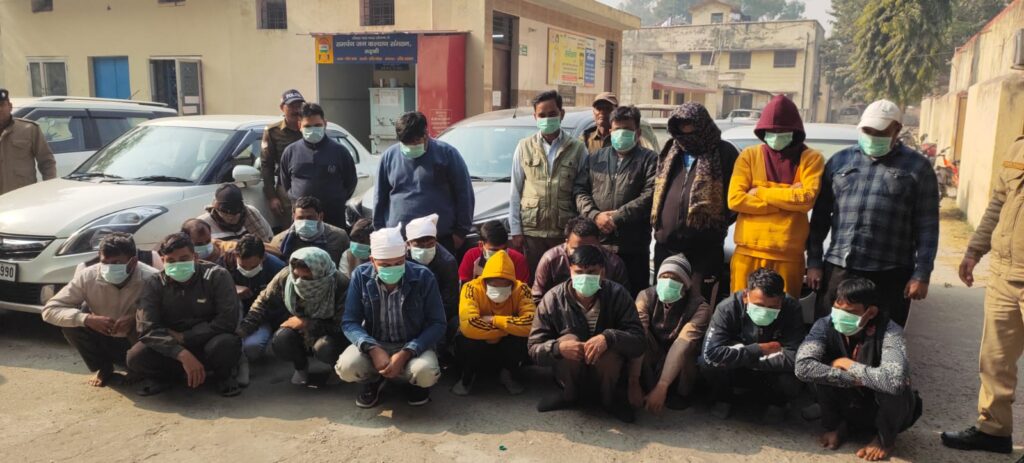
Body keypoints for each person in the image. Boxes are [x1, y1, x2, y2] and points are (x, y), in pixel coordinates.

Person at [807, 100, 939, 327]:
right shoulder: (840, 161)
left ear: (897, 130)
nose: (872, 137)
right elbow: (820, 218)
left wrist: (922, 274)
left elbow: (927, 226)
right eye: (868, 131)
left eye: (880, 133)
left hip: (890, 272)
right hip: (840, 266)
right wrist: (814, 262)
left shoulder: (918, 167)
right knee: (829, 330)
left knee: (884, 336)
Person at [940, 136, 1024, 454]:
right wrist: (974, 250)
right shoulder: (1018, 146)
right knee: (994, 360)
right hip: (1004, 273)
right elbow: (998, 203)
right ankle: (993, 430)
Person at [796, 278, 922, 462]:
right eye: (837, 309)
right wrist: (848, 378)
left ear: (871, 312)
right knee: (821, 369)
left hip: (878, 403)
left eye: (850, 312)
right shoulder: (824, 325)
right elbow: (802, 366)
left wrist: (849, 365)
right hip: (846, 397)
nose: (841, 316)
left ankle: (884, 439)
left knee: (899, 385)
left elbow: (894, 382)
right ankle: (836, 426)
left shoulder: (890, 332)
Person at [528, 245, 645, 423]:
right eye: (579, 272)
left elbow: (639, 341)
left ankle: (609, 400)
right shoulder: (552, 298)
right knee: (568, 339)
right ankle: (569, 395)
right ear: (570, 271)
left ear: (602, 272)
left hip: (607, 372)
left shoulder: (618, 295)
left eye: (591, 272)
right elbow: (533, 347)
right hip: (570, 370)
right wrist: (557, 348)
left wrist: (609, 337)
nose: (585, 277)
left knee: (609, 350)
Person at [335, 224, 446, 408]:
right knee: (347, 367)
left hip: (412, 343)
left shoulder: (423, 276)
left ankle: (414, 384)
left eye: (398, 263)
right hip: (375, 341)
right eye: (385, 265)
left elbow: (438, 323)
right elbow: (349, 321)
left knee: (424, 372)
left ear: (405, 257)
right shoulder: (360, 276)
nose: (392, 269)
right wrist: (373, 349)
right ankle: (373, 381)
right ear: (372, 261)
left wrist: (406, 352)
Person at [727, 95, 824, 297]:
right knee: (742, 307)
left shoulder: (811, 158)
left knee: (784, 309)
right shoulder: (749, 156)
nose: (776, 136)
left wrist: (760, 191)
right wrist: (788, 198)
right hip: (748, 251)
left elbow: (806, 200)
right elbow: (735, 200)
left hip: (788, 254)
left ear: (794, 132)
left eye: (781, 132)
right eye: (771, 132)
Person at [126, 232, 243, 397]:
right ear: (163, 260)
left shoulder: (217, 276)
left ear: (195, 257)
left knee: (226, 344)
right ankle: (166, 378)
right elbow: (147, 328)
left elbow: (227, 320)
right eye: (171, 261)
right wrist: (180, 353)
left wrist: (186, 337)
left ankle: (223, 377)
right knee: (136, 356)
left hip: (209, 339)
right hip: (172, 345)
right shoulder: (154, 283)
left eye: (184, 259)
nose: (178, 265)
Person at [40, 233, 158, 387]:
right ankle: (103, 367)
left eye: (116, 263)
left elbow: (169, 313)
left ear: (133, 261)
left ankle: (138, 368)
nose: (109, 268)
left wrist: (136, 318)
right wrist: (87, 319)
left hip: (137, 339)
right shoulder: (87, 276)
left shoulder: (152, 278)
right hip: (103, 334)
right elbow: (50, 310)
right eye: (105, 262)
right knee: (71, 323)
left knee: (145, 326)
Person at [651, 102, 738, 301]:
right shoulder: (671, 149)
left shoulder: (724, 152)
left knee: (700, 303)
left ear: (702, 124)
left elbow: (734, 198)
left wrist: (715, 223)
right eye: (680, 125)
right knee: (666, 300)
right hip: (667, 245)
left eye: (689, 123)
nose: (685, 130)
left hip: (704, 248)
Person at [699, 268, 803, 421]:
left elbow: (796, 357)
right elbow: (711, 355)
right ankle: (723, 398)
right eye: (759, 305)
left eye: (772, 307)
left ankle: (777, 403)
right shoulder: (727, 308)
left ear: (781, 300)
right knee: (706, 364)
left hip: (769, 369)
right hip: (738, 368)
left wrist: (746, 357)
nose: (764, 311)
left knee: (793, 377)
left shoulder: (792, 308)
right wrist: (759, 349)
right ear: (746, 296)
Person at [574, 105, 657, 293]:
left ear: (637, 132)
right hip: (599, 244)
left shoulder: (650, 160)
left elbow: (650, 195)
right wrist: (595, 216)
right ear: (610, 131)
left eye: (627, 129)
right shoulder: (595, 158)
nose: (622, 134)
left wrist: (618, 217)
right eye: (618, 129)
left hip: (633, 246)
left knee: (633, 296)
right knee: (599, 295)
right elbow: (580, 190)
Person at [238, 247, 349, 386]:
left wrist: (308, 323)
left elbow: (343, 325)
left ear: (321, 273)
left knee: (324, 347)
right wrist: (244, 329)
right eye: (297, 276)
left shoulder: (340, 284)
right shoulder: (286, 277)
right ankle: (301, 367)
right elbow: (263, 301)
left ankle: (336, 368)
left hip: (331, 332)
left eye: (307, 278)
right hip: (298, 327)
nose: (300, 282)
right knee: (281, 340)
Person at [509, 90, 588, 278]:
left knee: (563, 280)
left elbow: (584, 191)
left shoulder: (577, 148)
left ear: (562, 114)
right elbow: (515, 191)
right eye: (542, 115)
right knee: (535, 280)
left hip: (564, 232)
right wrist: (516, 230)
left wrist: (579, 232)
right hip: (532, 233)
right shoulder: (524, 147)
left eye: (552, 114)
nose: (547, 119)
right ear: (535, 117)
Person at [373, 111, 474, 256]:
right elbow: (379, 196)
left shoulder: (447, 154)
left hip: (440, 241)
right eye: (406, 143)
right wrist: (380, 231)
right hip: (399, 241)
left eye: (415, 142)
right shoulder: (389, 157)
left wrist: (460, 233)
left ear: (426, 133)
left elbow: (464, 194)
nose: (411, 147)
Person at [629, 254, 712, 413]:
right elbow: (638, 333)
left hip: (678, 353)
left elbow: (683, 342)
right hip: (653, 350)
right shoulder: (645, 296)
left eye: (674, 279)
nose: (668, 282)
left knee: (689, 348)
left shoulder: (700, 307)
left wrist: (662, 386)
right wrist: (633, 382)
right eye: (664, 277)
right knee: (638, 335)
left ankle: (680, 394)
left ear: (686, 285)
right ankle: (641, 384)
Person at [453, 250, 535, 396]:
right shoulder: (470, 288)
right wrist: (509, 328)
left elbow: (532, 324)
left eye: (504, 284)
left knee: (523, 339)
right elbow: (469, 325)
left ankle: (508, 374)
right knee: (465, 338)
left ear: (512, 283)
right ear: (485, 280)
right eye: (493, 282)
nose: (498, 287)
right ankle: (468, 376)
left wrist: (494, 320)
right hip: (479, 342)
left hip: (506, 344)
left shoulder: (522, 289)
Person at [279, 102, 357, 228]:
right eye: (308, 126)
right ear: (299, 125)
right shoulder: (290, 152)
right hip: (302, 219)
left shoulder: (340, 152)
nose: (312, 130)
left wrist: (335, 199)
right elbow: (286, 183)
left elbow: (350, 182)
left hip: (333, 218)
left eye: (317, 125)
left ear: (325, 124)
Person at [532, 214, 630, 305]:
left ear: (599, 243)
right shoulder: (550, 260)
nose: (583, 254)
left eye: (589, 248)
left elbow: (623, 301)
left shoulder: (614, 264)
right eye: (576, 249)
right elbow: (537, 299)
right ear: (567, 243)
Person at [229, 234, 286, 384]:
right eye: (243, 266)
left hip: (262, 319)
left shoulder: (278, 269)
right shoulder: (225, 264)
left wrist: (248, 326)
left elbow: (277, 306)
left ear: (263, 258)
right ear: (235, 256)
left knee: (251, 349)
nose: (247, 270)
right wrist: (232, 288)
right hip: (232, 317)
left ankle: (242, 360)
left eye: (253, 267)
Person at [405, 214, 460, 346]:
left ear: (436, 241)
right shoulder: (399, 259)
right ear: (408, 244)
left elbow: (449, 302)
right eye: (419, 245)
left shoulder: (447, 262)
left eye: (430, 244)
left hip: (436, 315)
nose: (425, 249)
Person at [260, 89, 305, 225]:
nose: (296, 110)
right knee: (289, 229)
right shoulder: (273, 132)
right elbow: (266, 165)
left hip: (310, 185)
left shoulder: (309, 128)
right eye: (292, 106)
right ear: (282, 108)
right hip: (286, 189)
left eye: (299, 106)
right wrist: (272, 197)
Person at [0, 88, 55, 195]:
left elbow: (47, 162)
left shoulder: (29, 129)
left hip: (23, 196)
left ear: (10, 106)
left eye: (2, 105)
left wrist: (50, 189)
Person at [270, 196, 350, 264]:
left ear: (320, 216)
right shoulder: (280, 241)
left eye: (310, 218)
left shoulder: (339, 237)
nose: (304, 222)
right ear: (293, 217)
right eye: (300, 218)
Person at [579, 92, 657, 155]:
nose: (602, 112)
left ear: (616, 110)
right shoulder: (586, 137)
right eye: (598, 108)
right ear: (593, 112)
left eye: (607, 108)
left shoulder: (625, 136)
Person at [458, 220, 529, 284]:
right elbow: (464, 287)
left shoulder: (518, 260)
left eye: (503, 250)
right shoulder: (471, 256)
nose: (500, 254)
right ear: (481, 245)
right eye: (494, 251)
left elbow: (522, 290)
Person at [197, 183, 274, 242]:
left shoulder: (252, 213)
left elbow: (269, 237)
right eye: (225, 213)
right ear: (217, 209)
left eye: (235, 213)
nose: (230, 217)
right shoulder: (204, 224)